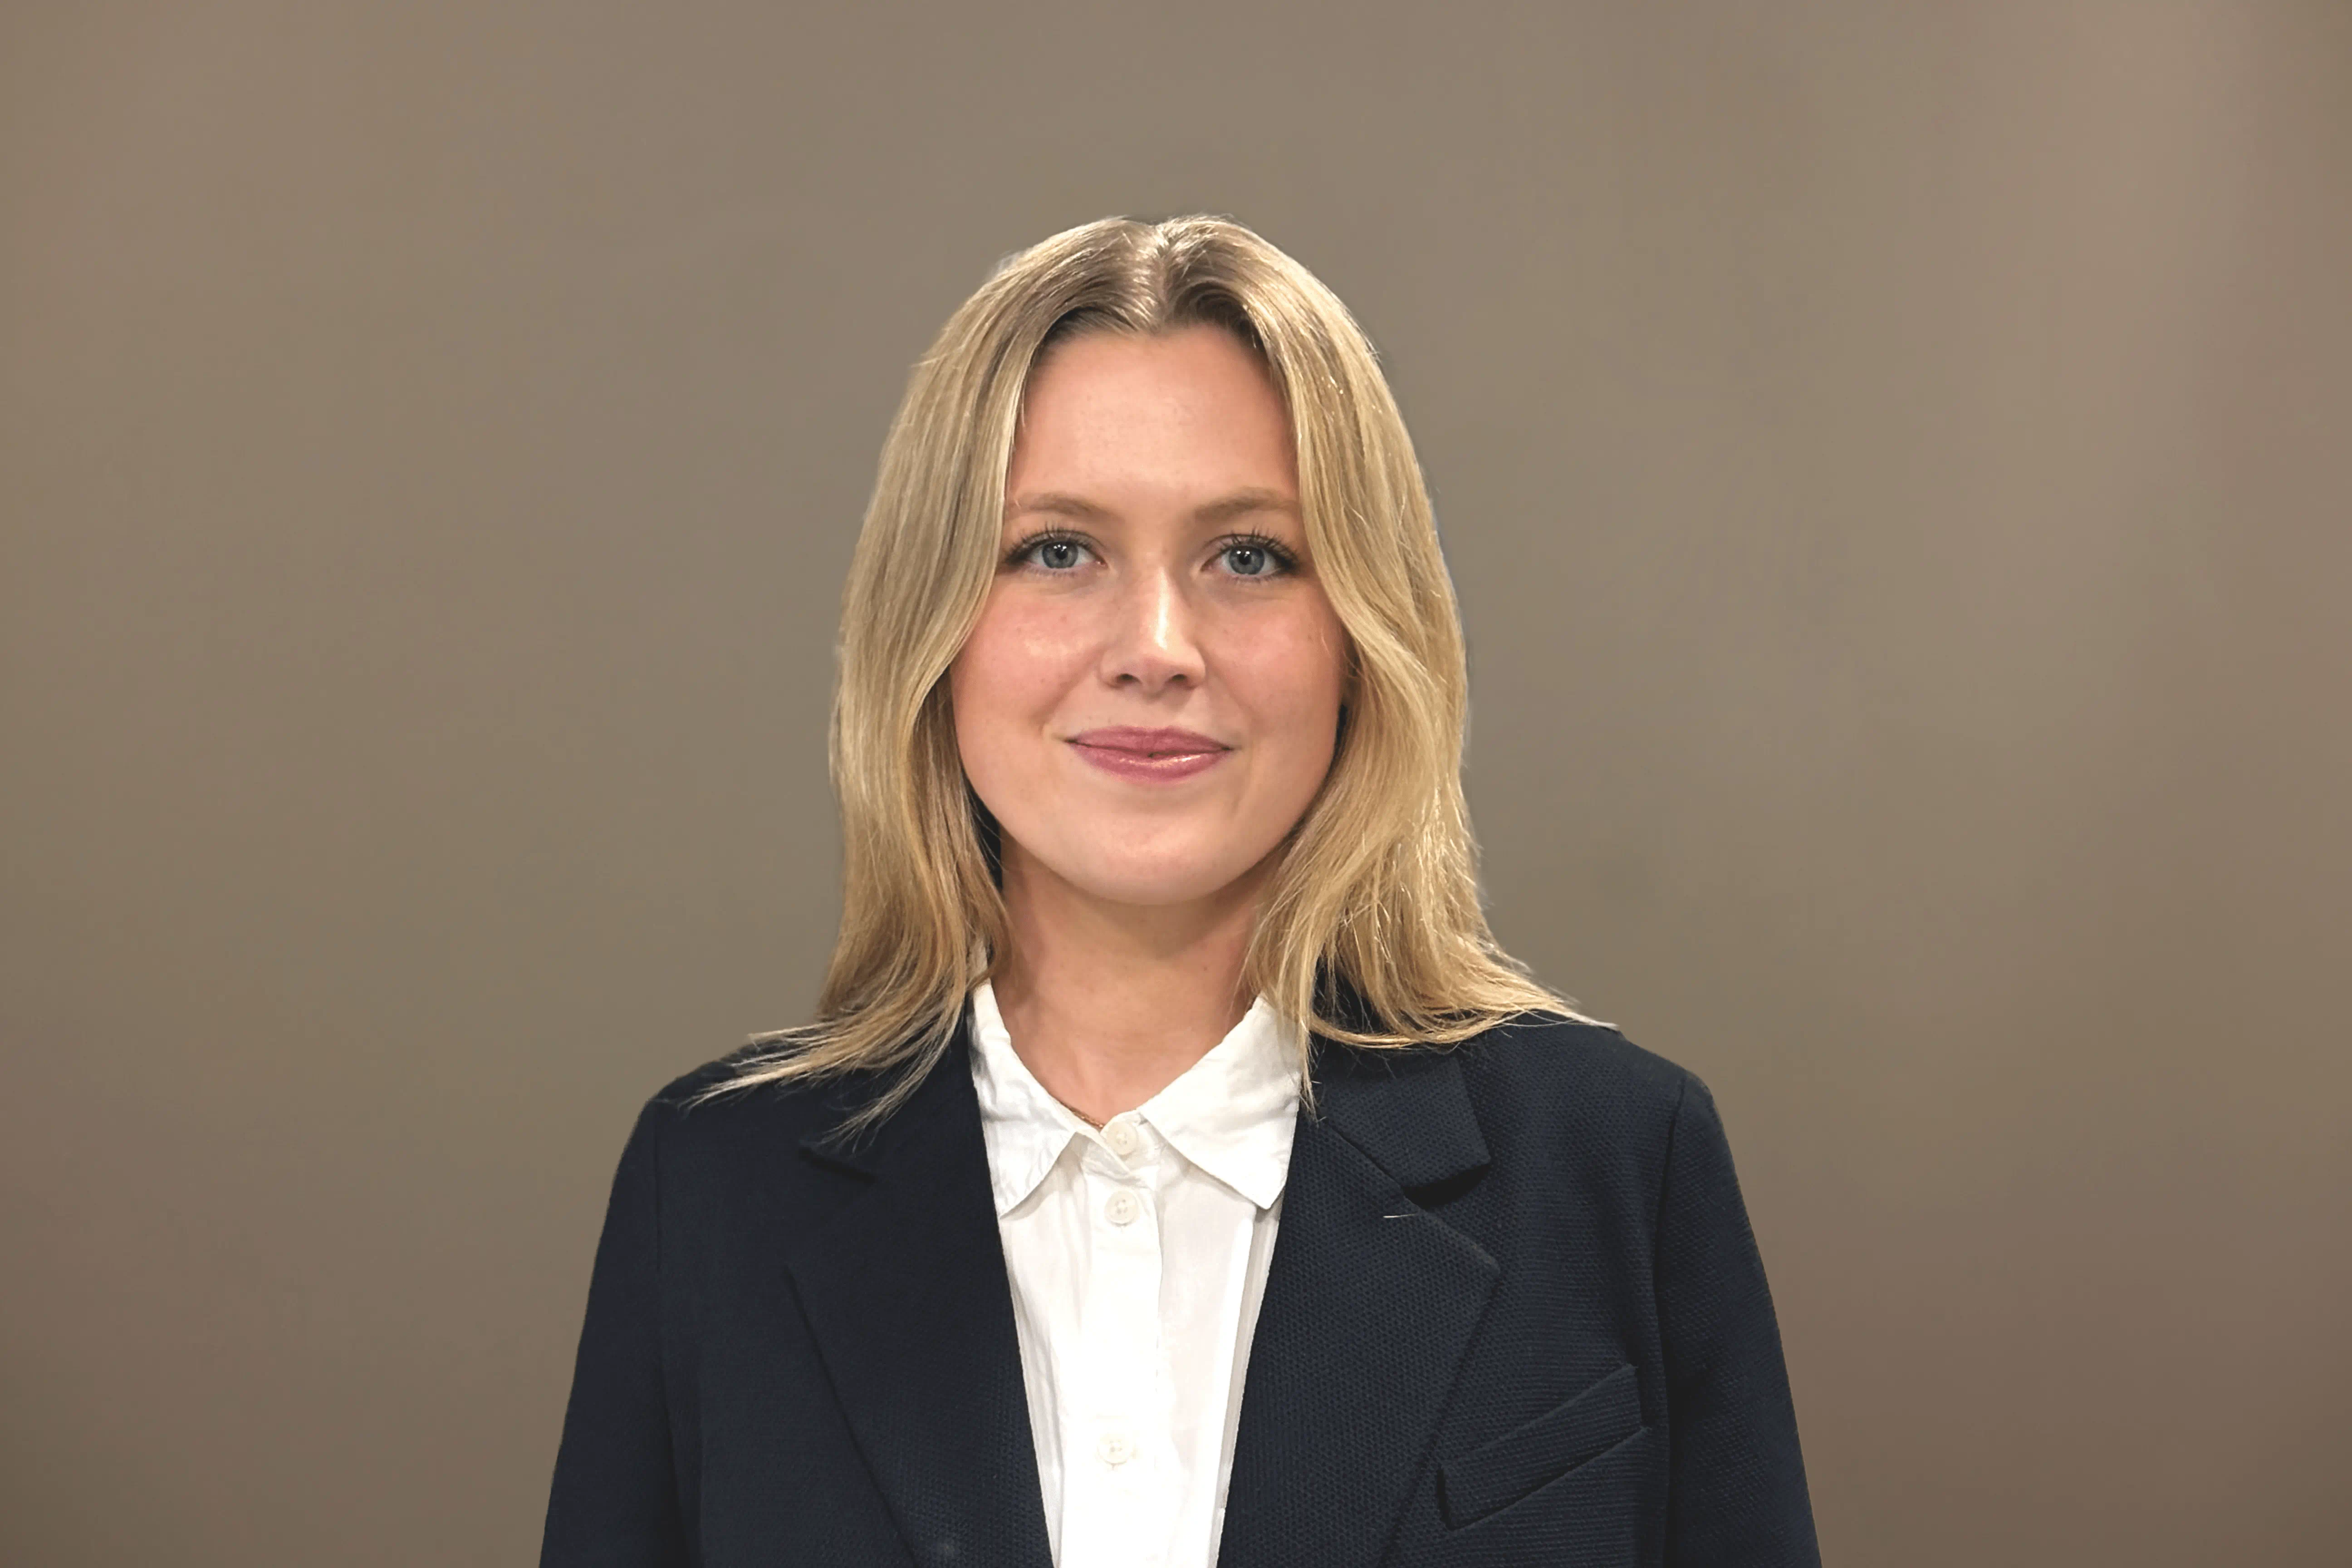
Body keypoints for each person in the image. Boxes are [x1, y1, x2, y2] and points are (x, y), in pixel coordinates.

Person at [539, 215, 1820, 1568]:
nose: (1156, 649)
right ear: (935, 627)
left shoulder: (1617, 1165)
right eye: (1057, 551)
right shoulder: (714, 1192)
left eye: (1248, 556)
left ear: (1360, 639)